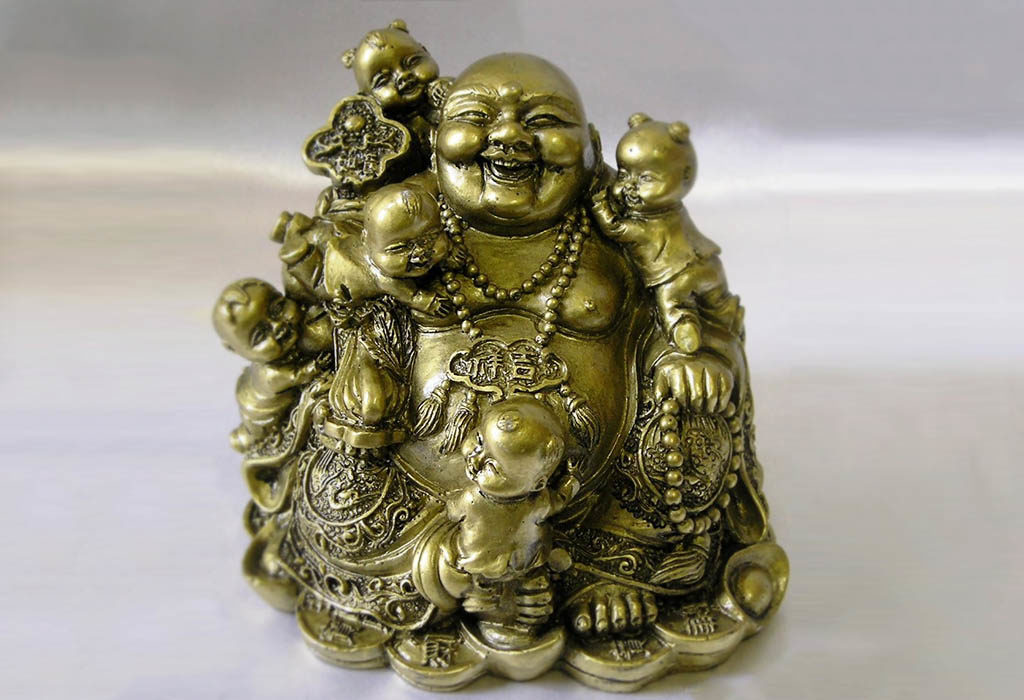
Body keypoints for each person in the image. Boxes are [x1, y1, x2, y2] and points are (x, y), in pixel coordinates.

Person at [591, 113, 742, 354]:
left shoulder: (643, 226)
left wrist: (600, 206)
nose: (630, 187)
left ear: (685, 176)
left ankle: (683, 328)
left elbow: (615, 227)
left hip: (674, 278)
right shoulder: (677, 211)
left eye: (646, 178)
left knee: (673, 304)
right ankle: (727, 313)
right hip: (709, 263)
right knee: (717, 298)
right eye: (623, 174)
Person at [212, 279, 330, 452]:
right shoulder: (270, 373)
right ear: (238, 351)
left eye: (278, 309)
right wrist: (315, 366)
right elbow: (297, 375)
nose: (278, 326)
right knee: (257, 434)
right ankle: (246, 439)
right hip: (259, 411)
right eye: (261, 335)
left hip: (250, 385)